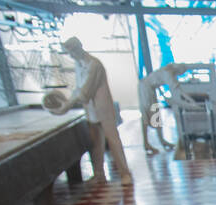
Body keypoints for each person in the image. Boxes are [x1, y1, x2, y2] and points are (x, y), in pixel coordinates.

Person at [61, 36, 132, 184]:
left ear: (77, 48)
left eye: (71, 52)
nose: (70, 56)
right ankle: (98, 173)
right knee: (95, 143)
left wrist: (66, 106)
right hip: (91, 111)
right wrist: (67, 102)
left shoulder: (95, 65)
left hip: (103, 109)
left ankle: (125, 173)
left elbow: (85, 92)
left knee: (113, 141)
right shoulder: (80, 65)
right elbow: (78, 89)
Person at [138, 61, 193, 154]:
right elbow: (178, 90)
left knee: (154, 115)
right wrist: (192, 102)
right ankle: (148, 143)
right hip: (146, 89)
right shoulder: (169, 73)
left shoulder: (167, 70)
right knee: (148, 115)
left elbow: (156, 81)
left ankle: (161, 141)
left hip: (148, 88)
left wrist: (163, 95)